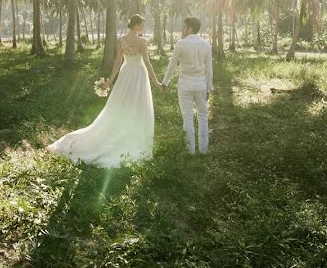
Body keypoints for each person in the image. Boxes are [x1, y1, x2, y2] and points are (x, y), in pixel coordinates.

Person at [48, 14, 161, 168]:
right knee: (138, 106)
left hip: (125, 73)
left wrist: (110, 81)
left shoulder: (122, 40)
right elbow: (147, 63)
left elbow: (117, 62)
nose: (144, 27)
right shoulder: (142, 41)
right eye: (142, 25)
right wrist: (156, 82)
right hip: (138, 74)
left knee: (119, 105)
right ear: (136, 25)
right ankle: (131, 137)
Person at [161, 17, 213, 155]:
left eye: (184, 27)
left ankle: (190, 151)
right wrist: (209, 88)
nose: (182, 30)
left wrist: (165, 82)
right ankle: (203, 150)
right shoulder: (206, 45)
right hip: (201, 85)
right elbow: (209, 70)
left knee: (187, 117)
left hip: (185, 86)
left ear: (190, 28)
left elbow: (172, 65)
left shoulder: (181, 44)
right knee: (203, 117)